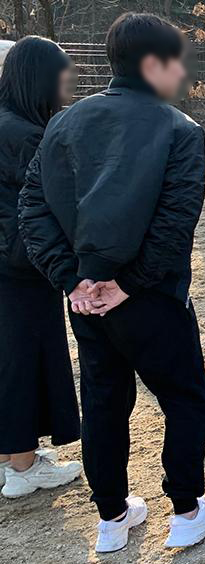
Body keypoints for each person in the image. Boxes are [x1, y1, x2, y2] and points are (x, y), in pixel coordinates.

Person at [18, 13, 205, 552]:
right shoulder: (179, 129)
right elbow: (175, 223)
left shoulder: (63, 125)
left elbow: (32, 210)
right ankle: (186, 509)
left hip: (86, 300)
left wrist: (73, 281)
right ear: (154, 63)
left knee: (105, 403)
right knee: (185, 396)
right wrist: (125, 284)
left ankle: (112, 518)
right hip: (150, 296)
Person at [0, 36, 84, 499]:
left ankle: (11, 455)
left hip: (8, 265)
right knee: (25, 361)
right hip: (22, 266)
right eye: (61, 75)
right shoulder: (28, 135)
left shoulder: (6, 123)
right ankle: (24, 467)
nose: (67, 83)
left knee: (9, 358)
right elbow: (50, 205)